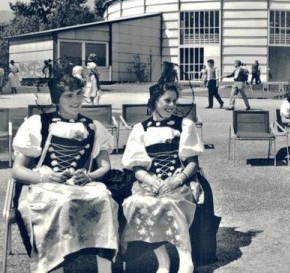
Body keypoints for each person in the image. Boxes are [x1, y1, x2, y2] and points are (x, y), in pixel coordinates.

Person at [11, 69, 118, 273]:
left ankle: (102, 266)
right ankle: (54, 266)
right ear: (56, 99)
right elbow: (17, 171)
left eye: (79, 93)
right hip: (42, 183)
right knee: (62, 202)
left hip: (79, 185)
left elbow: (105, 167)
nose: (76, 100)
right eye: (68, 95)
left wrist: (89, 175)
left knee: (104, 198)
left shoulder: (93, 127)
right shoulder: (39, 124)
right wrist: (46, 176)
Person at [121, 81, 204, 273]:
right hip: (150, 181)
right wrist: (152, 181)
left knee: (170, 204)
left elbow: (193, 162)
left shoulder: (185, 124)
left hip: (178, 179)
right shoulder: (140, 129)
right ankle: (163, 260)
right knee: (139, 203)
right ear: (154, 101)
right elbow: (136, 168)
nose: (171, 105)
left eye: (174, 101)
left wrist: (178, 179)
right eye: (167, 100)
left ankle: (185, 258)